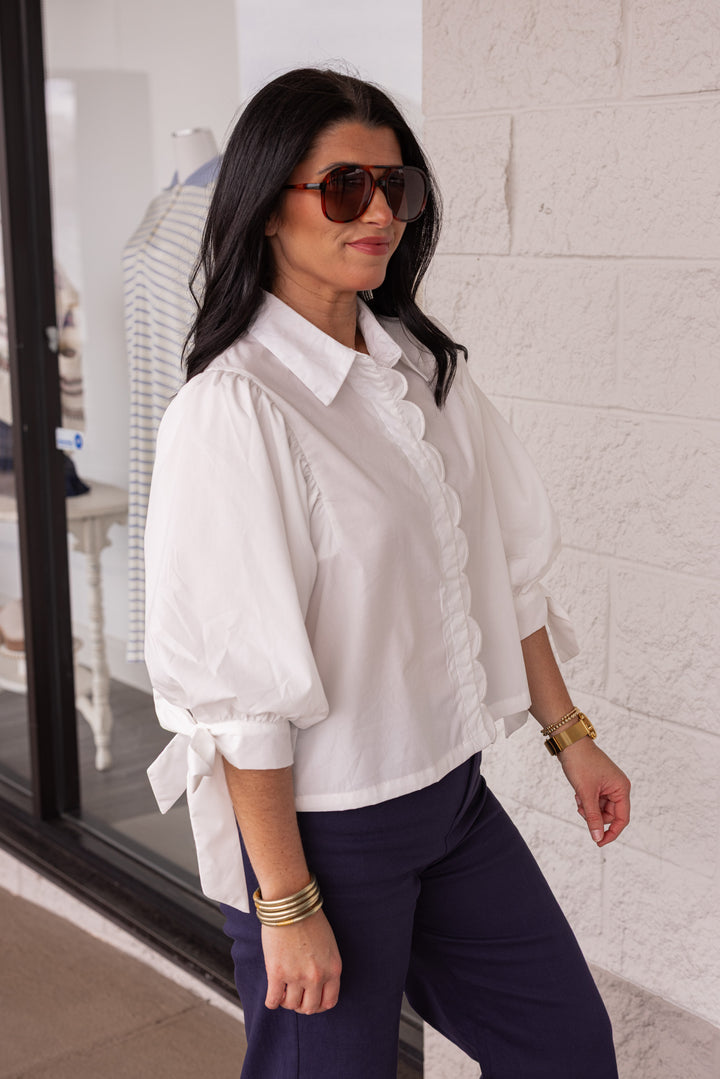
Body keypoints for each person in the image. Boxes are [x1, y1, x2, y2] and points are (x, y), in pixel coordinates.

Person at [144, 67, 631, 1079]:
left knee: (566, 1049)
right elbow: (242, 698)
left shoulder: (420, 371)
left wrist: (570, 733)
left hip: (452, 797)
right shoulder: (235, 412)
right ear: (266, 207)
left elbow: (501, 570)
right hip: (325, 832)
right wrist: (286, 903)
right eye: (343, 188)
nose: (380, 214)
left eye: (394, 187)